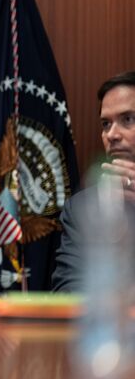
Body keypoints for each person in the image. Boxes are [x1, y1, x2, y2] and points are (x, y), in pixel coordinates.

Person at [52, 71, 135, 292]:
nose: (112, 135)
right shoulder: (81, 208)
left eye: (128, 119)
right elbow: (67, 289)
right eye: (106, 124)